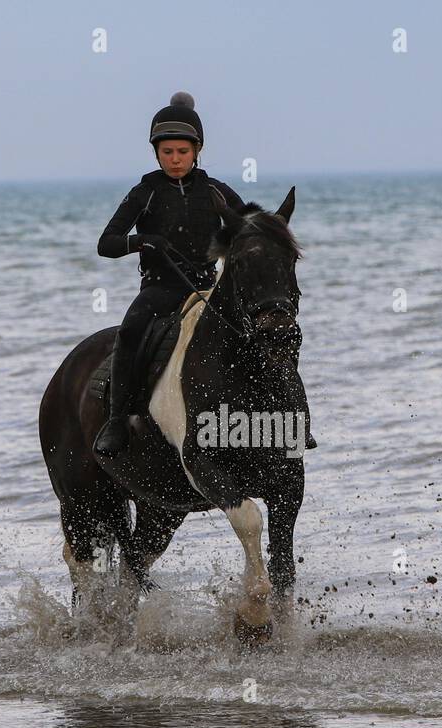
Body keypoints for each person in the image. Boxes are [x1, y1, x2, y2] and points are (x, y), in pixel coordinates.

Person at [93, 91, 315, 456]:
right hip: (160, 290)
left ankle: (293, 416)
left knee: (274, 327)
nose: (175, 160)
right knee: (131, 330)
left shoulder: (216, 191)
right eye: (167, 153)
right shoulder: (145, 192)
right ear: (156, 153)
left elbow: (250, 226)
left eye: (182, 152)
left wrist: (275, 225)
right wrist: (146, 241)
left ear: (197, 150)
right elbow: (108, 243)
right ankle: (117, 421)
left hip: (207, 289)